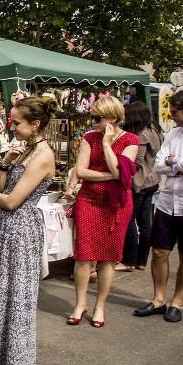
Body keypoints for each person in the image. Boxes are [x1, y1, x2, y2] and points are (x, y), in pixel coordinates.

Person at [0, 96, 57, 365]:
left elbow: (10, 201)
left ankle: (7, 364)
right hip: (6, 229)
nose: (12, 127)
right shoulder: (23, 151)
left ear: (35, 125)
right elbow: (1, 188)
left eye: (17, 122)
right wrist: (5, 163)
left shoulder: (43, 155)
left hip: (20, 230)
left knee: (13, 293)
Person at [68, 96, 139, 328]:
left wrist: (107, 144)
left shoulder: (131, 140)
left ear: (113, 118)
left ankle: (99, 306)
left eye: (97, 117)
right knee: (83, 255)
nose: (93, 121)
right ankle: (80, 304)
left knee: (108, 258)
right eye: (92, 116)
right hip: (89, 200)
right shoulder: (89, 137)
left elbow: (119, 168)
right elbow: (82, 171)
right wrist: (113, 176)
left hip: (115, 205)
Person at [136, 90, 183, 323]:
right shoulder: (174, 133)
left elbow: (168, 163)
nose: (171, 115)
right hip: (167, 203)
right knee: (159, 251)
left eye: (175, 112)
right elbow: (158, 164)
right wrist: (174, 163)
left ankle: (177, 301)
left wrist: (174, 161)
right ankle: (159, 299)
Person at [117, 101, 163, 271]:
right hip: (152, 180)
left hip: (140, 182)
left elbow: (136, 162)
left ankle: (129, 260)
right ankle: (141, 261)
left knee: (130, 220)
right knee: (145, 223)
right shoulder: (155, 129)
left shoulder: (142, 134)